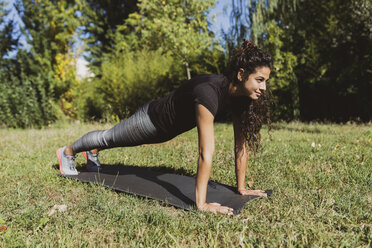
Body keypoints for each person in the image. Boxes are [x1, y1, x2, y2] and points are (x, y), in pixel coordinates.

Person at [56, 40, 273, 215]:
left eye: (266, 81)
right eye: (259, 80)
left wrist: (242, 188)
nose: (263, 87)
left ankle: (92, 152)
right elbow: (205, 152)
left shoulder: (242, 99)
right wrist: (202, 204)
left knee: (110, 140)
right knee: (110, 137)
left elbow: (241, 147)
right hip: (150, 120)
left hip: (166, 131)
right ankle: (67, 151)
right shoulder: (209, 93)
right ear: (241, 74)